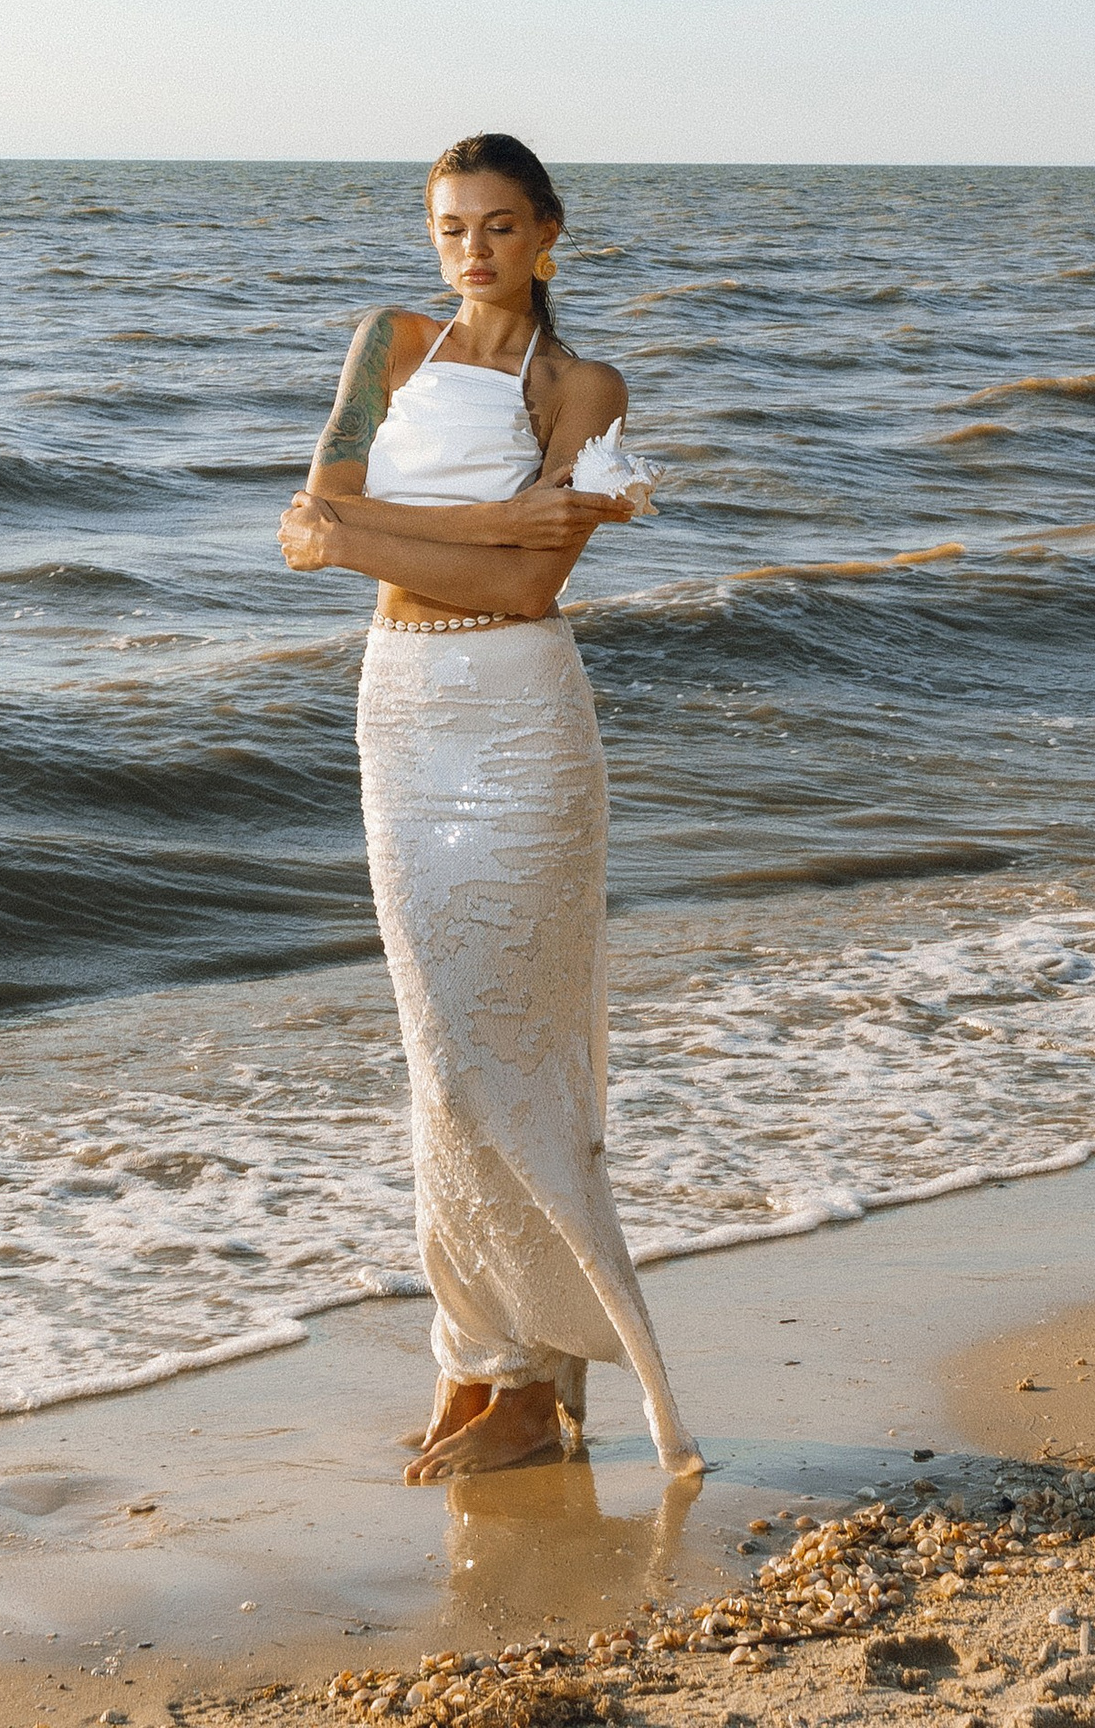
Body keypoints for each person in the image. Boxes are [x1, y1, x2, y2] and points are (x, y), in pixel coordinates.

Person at [276, 132, 697, 1482]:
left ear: (549, 232)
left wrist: (366, 541)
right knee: (439, 1061)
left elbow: (527, 587)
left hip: (520, 719)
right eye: (454, 226)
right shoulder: (384, 349)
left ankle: (530, 1382)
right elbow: (322, 502)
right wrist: (493, 519)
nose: (475, 250)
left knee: (508, 1055)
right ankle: (482, 1369)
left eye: (502, 226)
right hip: (401, 710)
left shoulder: (583, 386)